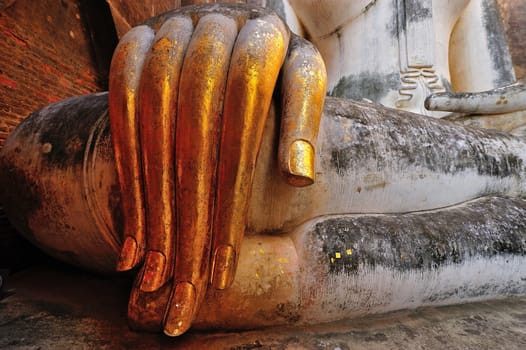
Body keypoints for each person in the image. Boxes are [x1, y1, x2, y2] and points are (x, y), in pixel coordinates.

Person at [1, 1, 526, 336]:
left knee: (509, 159)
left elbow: (500, 113)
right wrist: (215, 27)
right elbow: (255, 38)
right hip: (329, 142)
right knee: (73, 160)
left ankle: (330, 271)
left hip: (469, 149)